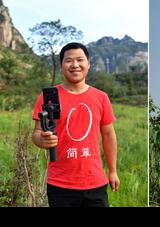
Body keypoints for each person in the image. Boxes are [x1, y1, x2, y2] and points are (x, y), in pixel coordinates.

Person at [31, 42, 120, 207]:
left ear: (88, 64)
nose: (75, 65)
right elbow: (36, 133)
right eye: (69, 60)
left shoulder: (101, 97)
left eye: (80, 60)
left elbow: (109, 134)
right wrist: (41, 140)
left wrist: (113, 171)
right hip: (60, 184)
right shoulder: (49, 97)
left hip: (95, 183)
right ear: (61, 65)